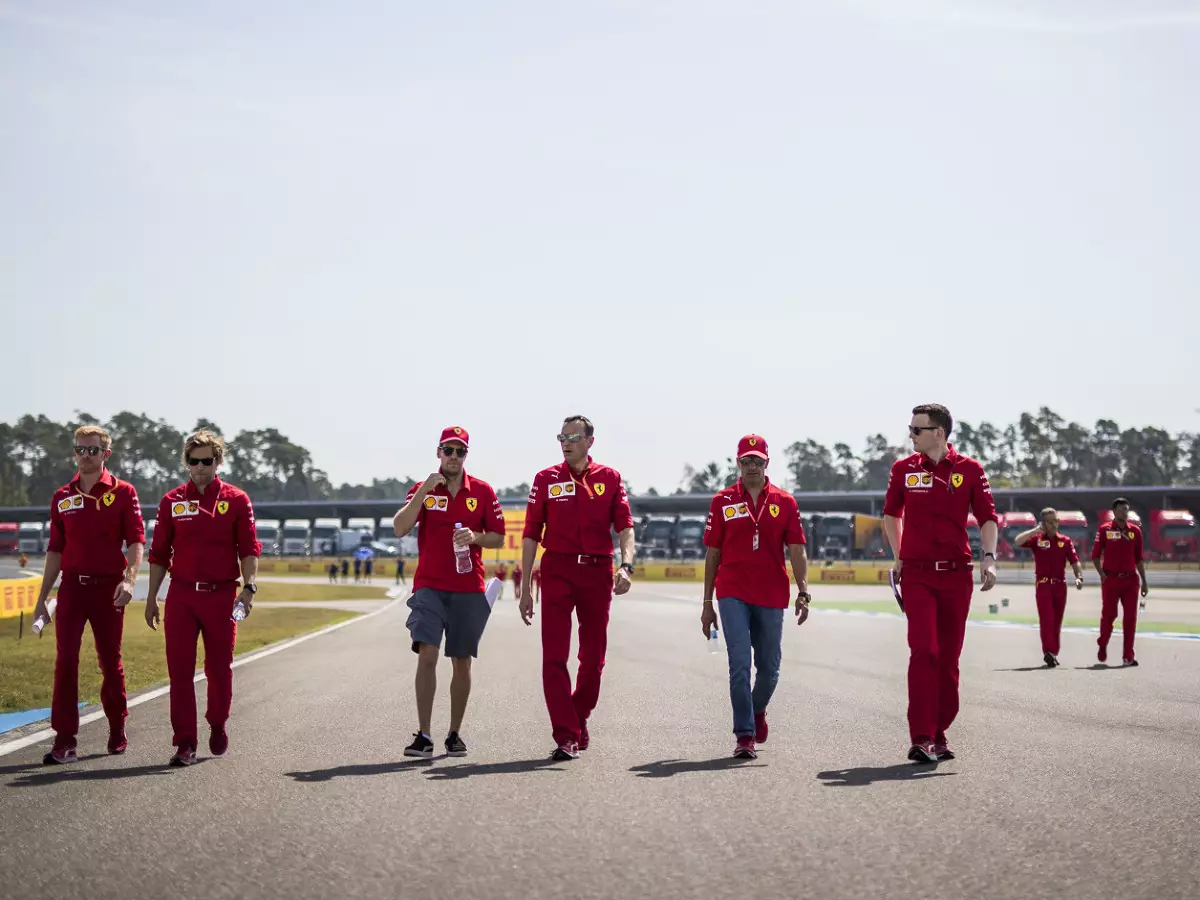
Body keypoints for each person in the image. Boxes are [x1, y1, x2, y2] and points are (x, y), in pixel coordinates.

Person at [882, 403, 998, 764]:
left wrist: (989, 559)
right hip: (916, 574)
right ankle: (921, 736)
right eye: (910, 429)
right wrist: (899, 557)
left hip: (956, 575)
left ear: (939, 433)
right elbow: (890, 513)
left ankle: (939, 731)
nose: (911, 435)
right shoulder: (904, 469)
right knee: (924, 650)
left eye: (917, 430)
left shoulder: (969, 470)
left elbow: (987, 518)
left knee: (948, 660)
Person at [520, 415, 636, 760]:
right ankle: (566, 735)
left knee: (593, 658)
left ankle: (579, 714)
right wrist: (526, 587)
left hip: (598, 572)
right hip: (556, 570)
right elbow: (529, 535)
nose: (566, 442)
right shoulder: (546, 479)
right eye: (562, 436)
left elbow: (625, 527)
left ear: (589, 441)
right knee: (554, 656)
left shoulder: (610, 478)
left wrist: (627, 565)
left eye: (573, 436)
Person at [145, 430, 261, 767]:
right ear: (186, 462)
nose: (199, 467)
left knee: (219, 669)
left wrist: (249, 588)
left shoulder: (237, 500)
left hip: (222, 596)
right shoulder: (171, 502)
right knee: (179, 672)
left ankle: (217, 721)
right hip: (181, 595)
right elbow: (158, 554)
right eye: (193, 461)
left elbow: (249, 549)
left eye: (206, 461)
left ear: (218, 461)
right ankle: (184, 742)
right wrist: (152, 597)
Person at [33, 425, 145, 765]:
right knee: (65, 662)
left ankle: (117, 725)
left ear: (105, 454)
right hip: (71, 590)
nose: (85, 455)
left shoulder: (124, 492)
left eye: (92, 450)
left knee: (110, 662)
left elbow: (137, 542)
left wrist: (129, 580)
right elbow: (55, 550)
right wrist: (42, 597)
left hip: (108, 588)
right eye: (80, 449)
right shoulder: (61, 497)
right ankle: (65, 739)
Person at [392, 426, 505, 758]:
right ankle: (424, 734)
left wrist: (475, 537)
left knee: (461, 662)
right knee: (426, 655)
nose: (454, 457)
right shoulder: (424, 489)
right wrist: (425, 489)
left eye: (460, 451)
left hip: (468, 587)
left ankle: (454, 733)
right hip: (429, 585)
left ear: (466, 456)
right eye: (448, 450)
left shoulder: (482, 491)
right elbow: (400, 528)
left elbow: (497, 537)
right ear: (438, 453)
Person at [701, 434, 810, 760]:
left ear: (766, 463)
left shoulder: (785, 502)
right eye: (746, 460)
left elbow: (797, 549)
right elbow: (713, 553)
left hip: (772, 593)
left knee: (770, 669)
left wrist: (803, 590)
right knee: (739, 665)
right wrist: (707, 603)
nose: (751, 466)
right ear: (738, 463)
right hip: (732, 591)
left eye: (757, 461)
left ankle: (756, 709)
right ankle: (744, 735)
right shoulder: (722, 501)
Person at [1012, 508, 1083, 667]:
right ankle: (1048, 651)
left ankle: (1053, 653)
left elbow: (1074, 561)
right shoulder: (1037, 539)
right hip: (1043, 585)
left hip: (1060, 586)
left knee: (1057, 621)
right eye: (1050, 521)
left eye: (1055, 520)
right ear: (1043, 523)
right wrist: (1036, 530)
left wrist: (1079, 576)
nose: (1054, 524)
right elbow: (1017, 541)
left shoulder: (1065, 541)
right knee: (1047, 619)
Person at [1091, 497, 1149, 666]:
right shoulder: (1104, 530)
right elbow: (1095, 555)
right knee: (1109, 616)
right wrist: (1101, 574)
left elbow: (1139, 559)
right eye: (1122, 509)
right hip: (1111, 579)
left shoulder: (1135, 532)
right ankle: (1102, 643)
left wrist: (1144, 581)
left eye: (1127, 509)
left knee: (1130, 619)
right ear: (1114, 511)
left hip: (1131, 580)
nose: (1125, 512)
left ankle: (1128, 656)